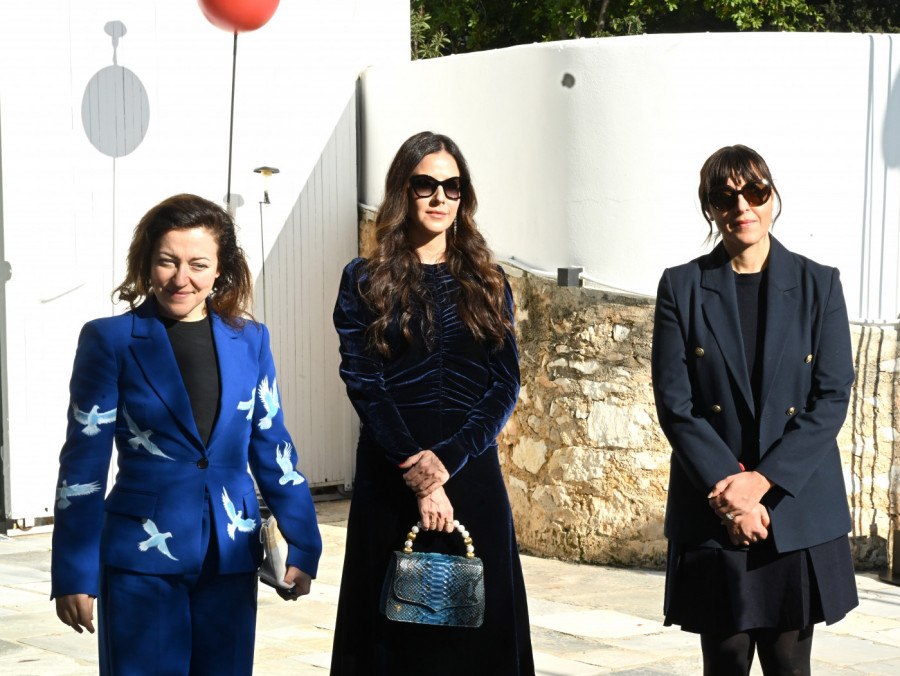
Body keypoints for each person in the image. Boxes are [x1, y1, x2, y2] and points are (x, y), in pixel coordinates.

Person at [51, 193, 322, 674]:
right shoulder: (109, 340)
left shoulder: (251, 340)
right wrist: (74, 571)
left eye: (198, 264)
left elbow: (272, 446)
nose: (181, 278)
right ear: (146, 263)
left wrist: (303, 540)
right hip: (140, 559)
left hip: (230, 554)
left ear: (221, 270)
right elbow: (83, 462)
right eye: (167, 261)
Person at [331, 131, 534, 675]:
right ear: (404, 191)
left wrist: (446, 463)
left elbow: (504, 382)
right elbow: (364, 381)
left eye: (452, 186)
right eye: (426, 184)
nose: (440, 197)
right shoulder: (364, 280)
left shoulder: (488, 281)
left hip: (471, 473)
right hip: (392, 472)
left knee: (478, 634)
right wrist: (419, 474)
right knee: (394, 633)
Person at [651, 145, 858, 675]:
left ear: (772, 196)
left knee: (790, 662)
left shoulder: (819, 283)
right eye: (725, 197)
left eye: (755, 192)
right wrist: (733, 497)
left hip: (792, 503)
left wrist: (760, 484)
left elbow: (831, 396)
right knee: (725, 658)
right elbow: (676, 404)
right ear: (710, 208)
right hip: (714, 504)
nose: (742, 206)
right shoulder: (681, 286)